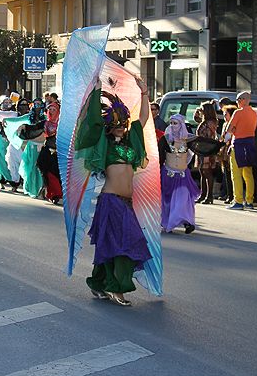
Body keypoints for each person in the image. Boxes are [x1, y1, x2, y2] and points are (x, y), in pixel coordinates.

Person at [76, 78, 152, 306]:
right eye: (116, 123)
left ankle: (99, 282)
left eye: (122, 123)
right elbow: (89, 122)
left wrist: (144, 93)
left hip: (126, 202)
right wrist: (95, 90)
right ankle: (116, 287)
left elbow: (144, 118)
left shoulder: (131, 142)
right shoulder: (104, 143)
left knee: (112, 244)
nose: (120, 126)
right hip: (111, 201)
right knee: (124, 244)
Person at [159, 114, 199, 234]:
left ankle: (187, 222)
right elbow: (160, 156)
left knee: (183, 199)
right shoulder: (165, 139)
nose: (173, 126)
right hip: (168, 174)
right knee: (168, 200)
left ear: (181, 124)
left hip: (182, 175)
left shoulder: (188, 139)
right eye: (171, 123)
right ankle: (167, 223)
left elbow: (200, 147)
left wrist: (217, 145)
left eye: (175, 123)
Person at [226, 91, 257, 210]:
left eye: (238, 100)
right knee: (248, 174)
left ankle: (238, 200)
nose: (237, 102)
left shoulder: (238, 112)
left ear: (243, 100)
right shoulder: (254, 113)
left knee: (236, 174)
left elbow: (229, 129)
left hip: (238, 144)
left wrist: (232, 132)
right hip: (250, 144)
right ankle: (249, 200)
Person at [195, 102, 219, 204]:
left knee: (207, 173)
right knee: (202, 173)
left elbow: (208, 138)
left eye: (202, 109)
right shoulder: (206, 122)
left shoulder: (210, 123)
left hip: (207, 150)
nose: (201, 111)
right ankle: (203, 194)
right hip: (202, 149)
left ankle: (209, 196)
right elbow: (196, 118)